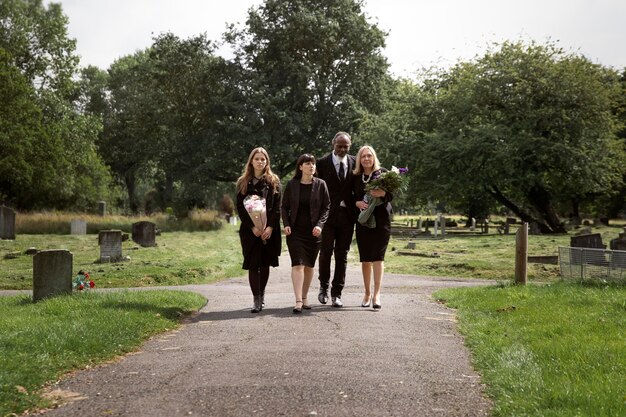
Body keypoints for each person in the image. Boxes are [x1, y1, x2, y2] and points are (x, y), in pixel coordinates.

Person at [281, 154, 330, 314]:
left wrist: (320, 226)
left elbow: (326, 207)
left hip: (314, 232)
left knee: (309, 266)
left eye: (313, 164)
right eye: (307, 163)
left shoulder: (321, 185)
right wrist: (286, 224)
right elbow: (284, 207)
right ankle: (297, 301)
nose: (311, 166)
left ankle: (304, 297)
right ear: (300, 167)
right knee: (298, 264)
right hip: (295, 232)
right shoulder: (292, 185)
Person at [236, 147, 282, 313]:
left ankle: (262, 295)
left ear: (267, 162)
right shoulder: (243, 182)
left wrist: (269, 227)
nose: (260, 162)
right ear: (251, 161)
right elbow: (240, 208)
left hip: (269, 231)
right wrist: (253, 227)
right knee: (253, 264)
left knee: (264, 264)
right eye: (257, 159)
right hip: (251, 231)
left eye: (263, 159)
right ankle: (256, 298)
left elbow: (277, 207)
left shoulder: (273, 181)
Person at [314, 132, 356, 307]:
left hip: (347, 217)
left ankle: (337, 293)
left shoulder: (355, 162)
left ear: (350, 145)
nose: (342, 149)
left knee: (342, 255)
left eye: (346, 146)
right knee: (325, 253)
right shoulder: (322, 163)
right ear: (333, 144)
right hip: (327, 218)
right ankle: (323, 287)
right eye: (339, 146)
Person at [352, 145, 393, 310]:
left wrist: (383, 194)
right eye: (363, 157)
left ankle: (377, 295)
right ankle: (367, 293)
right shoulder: (356, 177)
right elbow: (350, 196)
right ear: (359, 160)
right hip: (363, 222)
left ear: (374, 157)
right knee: (366, 258)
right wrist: (356, 202)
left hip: (381, 221)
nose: (366, 159)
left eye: (369, 156)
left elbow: (392, 195)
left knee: (378, 257)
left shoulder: (383, 174)